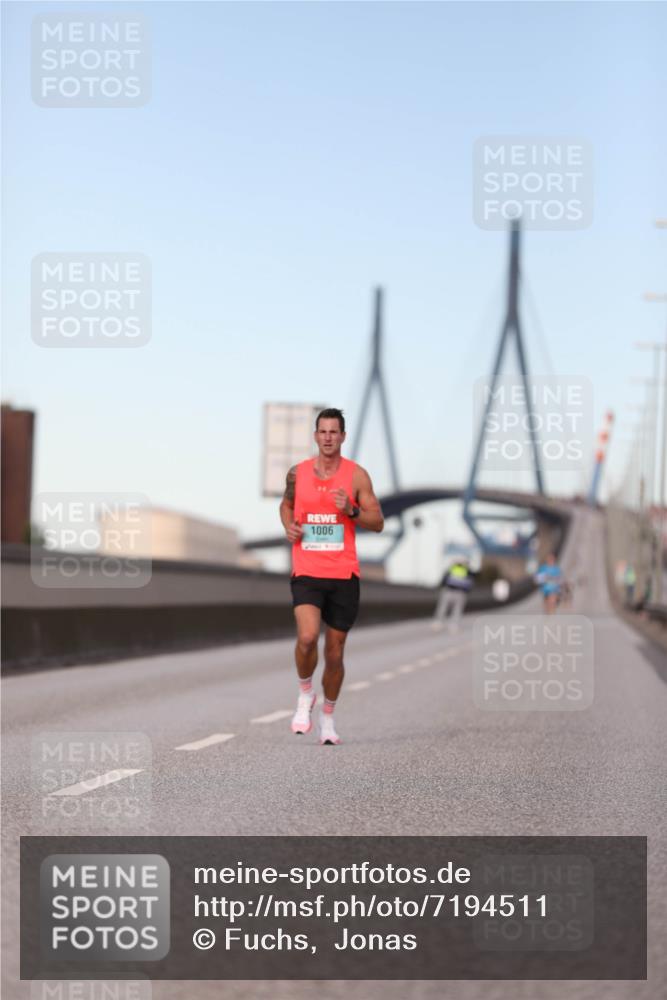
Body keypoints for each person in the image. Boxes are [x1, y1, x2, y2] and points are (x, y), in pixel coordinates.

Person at [279, 408, 384, 745]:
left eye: (333, 432)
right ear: (315, 436)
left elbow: (377, 522)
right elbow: (286, 504)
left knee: (335, 654)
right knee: (308, 637)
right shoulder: (298, 473)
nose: (327, 437)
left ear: (343, 436)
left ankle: (328, 718)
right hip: (307, 570)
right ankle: (305, 693)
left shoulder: (357, 477)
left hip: (343, 574)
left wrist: (351, 510)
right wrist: (288, 526)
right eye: (322, 432)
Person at [432, 558, 474, 633]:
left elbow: (444, 579)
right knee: (456, 610)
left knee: (444, 607)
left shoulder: (452, 568)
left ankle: (439, 622)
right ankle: (452, 625)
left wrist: (441, 586)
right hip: (459, 592)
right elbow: (470, 583)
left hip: (450, 591)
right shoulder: (467, 571)